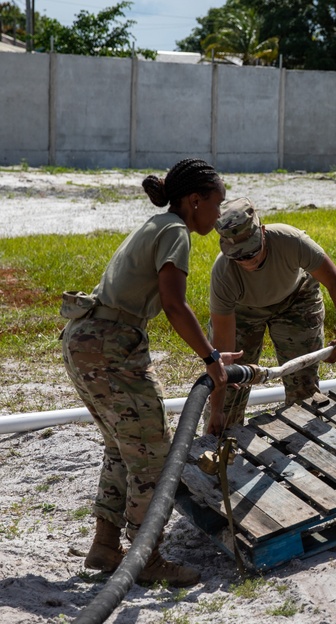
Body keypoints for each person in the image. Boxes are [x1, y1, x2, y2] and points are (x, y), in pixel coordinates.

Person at [61, 158, 240, 587]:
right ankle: (147, 558)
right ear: (194, 201)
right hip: (108, 347)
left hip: (84, 341)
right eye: (216, 204)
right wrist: (211, 359)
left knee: (124, 446)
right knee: (153, 454)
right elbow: (175, 305)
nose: (218, 216)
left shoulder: (157, 224)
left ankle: (106, 547)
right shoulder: (176, 232)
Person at [206, 198, 336, 435]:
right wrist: (217, 410)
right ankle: (224, 451)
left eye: (252, 251)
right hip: (244, 311)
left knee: (303, 384)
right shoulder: (224, 273)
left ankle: (303, 450)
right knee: (231, 388)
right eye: (239, 256)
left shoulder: (290, 240)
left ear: (263, 232)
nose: (248, 260)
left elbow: (334, 280)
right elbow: (223, 355)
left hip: (296, 300)